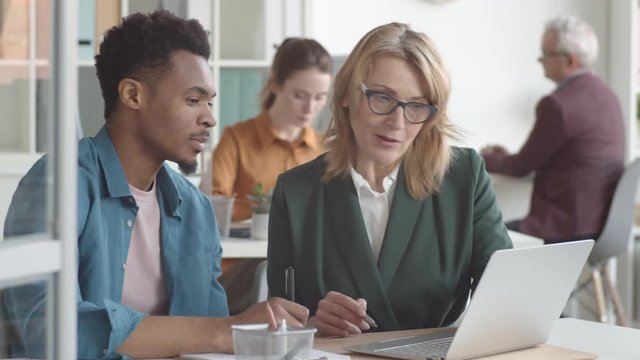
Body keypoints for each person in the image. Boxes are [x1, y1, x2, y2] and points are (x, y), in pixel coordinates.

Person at [2, 10, 307, 359]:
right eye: (193, 100)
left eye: (209, 101)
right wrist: (225, 330)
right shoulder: (60, 182)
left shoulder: (194, 208)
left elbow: (211, 342)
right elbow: (52, 331)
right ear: (133, 95)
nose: (209, 117)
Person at [266, 22, 512, 337]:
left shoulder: (465, 177)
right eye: (382, 98)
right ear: (347, 96)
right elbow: (284, 325)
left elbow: (506, 297)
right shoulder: (295, 192)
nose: (397, 122)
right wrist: (313, 322)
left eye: (417, 105)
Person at [210, 37, 332, 314]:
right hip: (243, 273)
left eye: (320, 98)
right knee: (271, 265)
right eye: (300, 95)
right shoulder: (237, 139)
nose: (310, 108)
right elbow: (212, 215)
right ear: (276, 84)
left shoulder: (328, 151)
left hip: (303, 272)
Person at [481, 15, 625, 243]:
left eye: (547, 54)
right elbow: (567, 159)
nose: (540, 60)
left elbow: (520, 167)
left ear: (570, 61)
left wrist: (480, 158)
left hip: (564, 230)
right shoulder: (608, 97)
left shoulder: (558, 105)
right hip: (600, 226)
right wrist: (506, 157)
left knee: (479, 240)